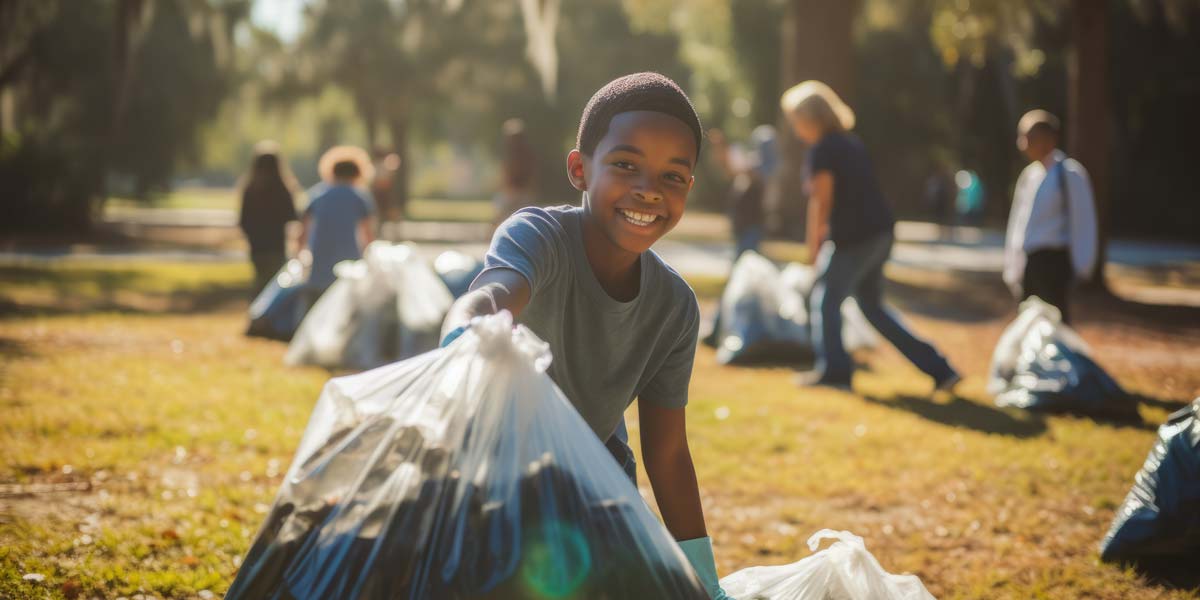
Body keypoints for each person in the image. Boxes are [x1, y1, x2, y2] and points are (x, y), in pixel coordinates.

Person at [440, 73, 731, 600]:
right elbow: (494, 292)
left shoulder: (675, 307)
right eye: (626, 165)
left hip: (593, 489)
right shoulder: (540, 236)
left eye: (673, 176)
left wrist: (705, 580)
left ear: (689, 188)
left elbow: (666, 453)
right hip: (490, 474)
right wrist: (467, 329)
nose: (648, 189)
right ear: (580, 169)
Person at [782, 80, 960, 390]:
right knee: (873, 308)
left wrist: (813, 249)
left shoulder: (823, 149)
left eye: (797, 121)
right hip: (880, 233)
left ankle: (835, 374)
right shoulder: (851, 143)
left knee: (826, 301)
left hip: (856, 238)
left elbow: (822, 202)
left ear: (812, 118)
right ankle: (940, 369)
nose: (796, 129)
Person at [1003, 109, 1098, 324]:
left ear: (1049, 139)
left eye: (1029, 138)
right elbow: (1019, 222)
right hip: (1032, 261)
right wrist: (1013, 264)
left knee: (1056, 322)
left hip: (1055, 262)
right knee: (1028, 321)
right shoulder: (1029, 176)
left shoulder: (1070, 174)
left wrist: (1083, 265)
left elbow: (1083, 221)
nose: (1023, 143)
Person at [297, 145, 377, 299]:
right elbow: (368, 235)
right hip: (349, 263)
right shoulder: (359, 197)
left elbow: (303, 232)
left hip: (320, 261)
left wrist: (299, 256)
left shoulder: (317, 195)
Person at [239, 141, 299, 297]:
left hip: (257, 246)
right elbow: (292, 215)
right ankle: (268, 318)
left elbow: (243, 220)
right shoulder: (283, 189)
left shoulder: (250, 189)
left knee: (260, 282)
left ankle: (257, 315)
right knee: (274, 285)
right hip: (276, 245)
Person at [729, 125, 777, 258]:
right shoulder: (753, 163)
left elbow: (754, 174)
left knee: (746, 258)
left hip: (752, 221)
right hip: (743, 220)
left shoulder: (764, 167)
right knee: (742, 256)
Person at [492, 118, 537, 229]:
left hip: (511, 193)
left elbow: (506, 175)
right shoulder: (528, 154)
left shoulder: (511, 155)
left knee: (501, 217)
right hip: (523, 193)